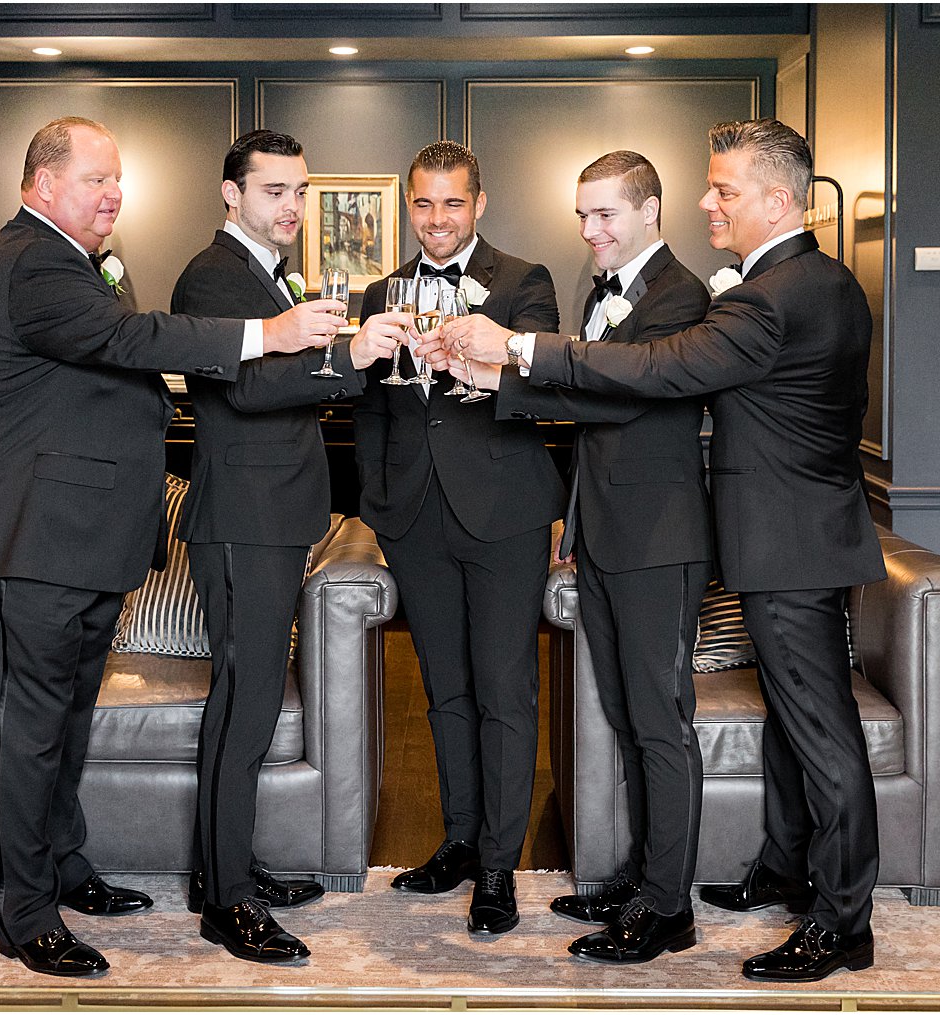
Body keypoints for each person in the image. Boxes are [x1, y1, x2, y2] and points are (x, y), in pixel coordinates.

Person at [438, 118, 887, 982]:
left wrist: (519, 351)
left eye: (725, 189)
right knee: (792, 733)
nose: (709, 201)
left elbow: (662, 372)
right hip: (792, 532)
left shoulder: (770, 295)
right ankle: (777, 871)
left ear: (778, 199)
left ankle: (842, 923)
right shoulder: (813, 282)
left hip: (785, 541)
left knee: (822, 738)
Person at [0, 116, 344, 978]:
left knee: (66, 724)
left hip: (80, 541)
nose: (113, 193)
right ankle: (24, 914)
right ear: (43, 184)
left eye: (116, 179)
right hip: (28, 539)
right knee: (25, 734)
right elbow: (129, 341)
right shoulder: (32, 261)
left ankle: (65, 866)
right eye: (96, 179)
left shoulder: (83, 262)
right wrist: (264, 335)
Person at [455, 151, 713, 963]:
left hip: (658, 541)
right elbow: (588, 400)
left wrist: (517, 353)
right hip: (604, 535)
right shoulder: (606, 294)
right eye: (582, 215)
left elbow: (633, 387)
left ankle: (669, 907)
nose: (589, 230)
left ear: (650, 211)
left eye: (605, 214)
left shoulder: (681, 296)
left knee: (661, 725)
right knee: (629, 718)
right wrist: (487, 375)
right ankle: (643, 879)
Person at [169, 129, 401, 964]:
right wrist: (353, 360)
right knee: (248, 701)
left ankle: (220, 869)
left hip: (270, 514)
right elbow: (244, 388)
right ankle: (226, 901)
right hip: (242, 518)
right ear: (231, 194)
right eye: (275, 192)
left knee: (251, 697)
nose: (293, 208)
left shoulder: (266, 275)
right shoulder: (214, 273)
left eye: (301, 192)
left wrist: (338, 351)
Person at [355, 141, 566, 936]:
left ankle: (500, 869)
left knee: (504, 688)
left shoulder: (524, 281)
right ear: (409, 206)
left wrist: (484, 359)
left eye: (452, 203)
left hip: (504, 512)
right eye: (423, 203)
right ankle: (459, 839)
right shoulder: (381, 290)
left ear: (479, 204)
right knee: (444, 687)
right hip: (414, 515)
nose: (436, 219)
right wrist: (380, 504)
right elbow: (371, 407)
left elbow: (543, 378)